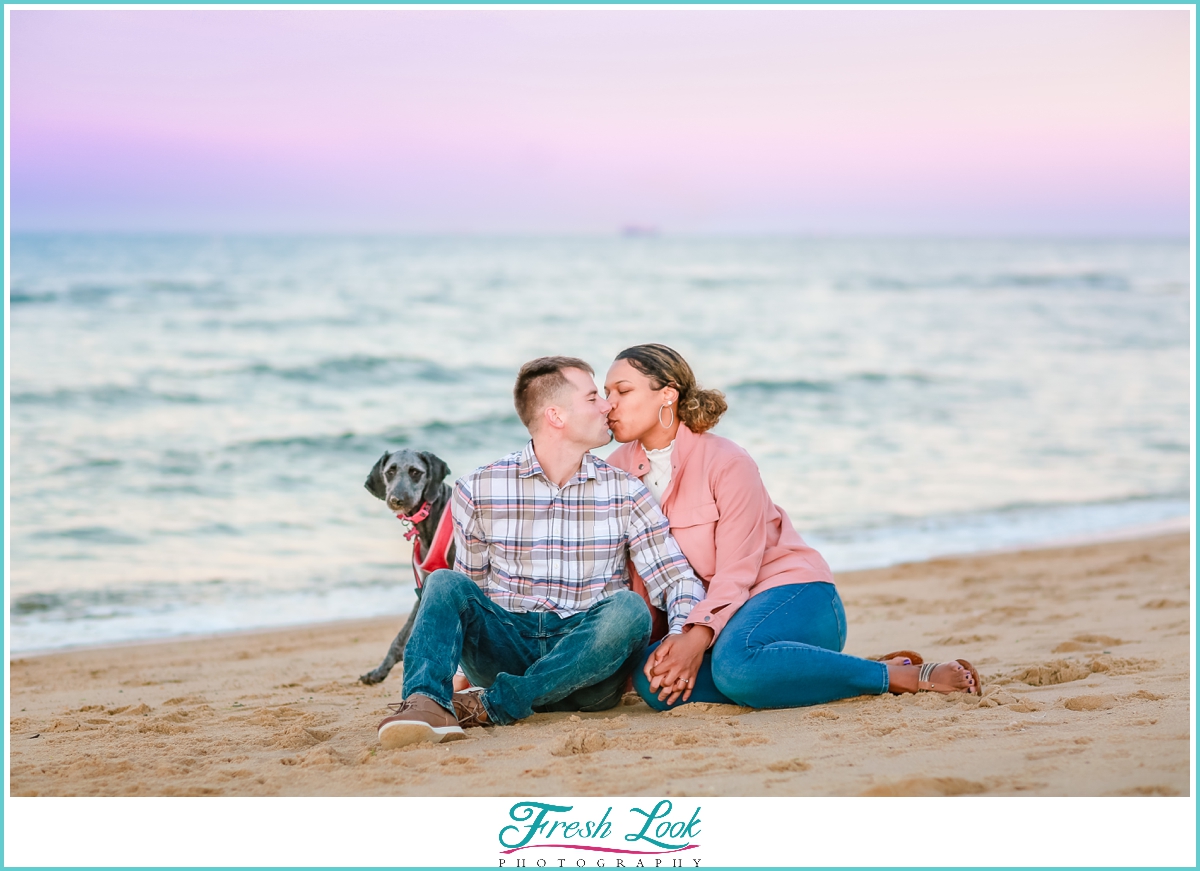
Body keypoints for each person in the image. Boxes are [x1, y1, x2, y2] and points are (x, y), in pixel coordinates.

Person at [603, 343, 980, 711]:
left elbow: (738, 570)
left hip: (790, 593)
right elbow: (640, 577)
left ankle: (899, 677)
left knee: (736, 667)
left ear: (667, 395)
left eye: (622, 390)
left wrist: (696, 637)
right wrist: (669, 645)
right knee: (654, 681)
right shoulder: (616, 472)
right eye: (605, 393)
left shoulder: (726, 461)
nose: (609, 404)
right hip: (719, 619)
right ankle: (812, 671)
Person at [376, 355, 707, 749]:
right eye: (591, 397)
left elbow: (676, 578)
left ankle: (492, 706)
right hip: (506, 650)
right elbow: (473, 596)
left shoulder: (625, 490)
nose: (606, 405)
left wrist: (681, 636)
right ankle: (424, 703)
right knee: (446, 583)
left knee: (629, 609)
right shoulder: (477, 488)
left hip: (589, 667)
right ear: (556, 416)